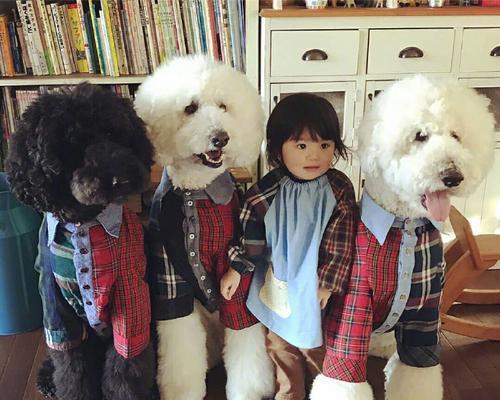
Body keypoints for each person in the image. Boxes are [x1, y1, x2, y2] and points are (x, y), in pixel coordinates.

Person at [223, 93, 358, 400]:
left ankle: (327, 390)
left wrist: (327, 283)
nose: (315, 156)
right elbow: (250, 233)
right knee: (280, 343)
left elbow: (342, 240)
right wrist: (237, 268)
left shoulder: (338, 188)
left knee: (317, 345)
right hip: (278, 280)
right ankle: (288, 392)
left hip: (317, 284)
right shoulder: (266, 189)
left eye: (325, 145)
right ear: (277, 148)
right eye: (302, 146)